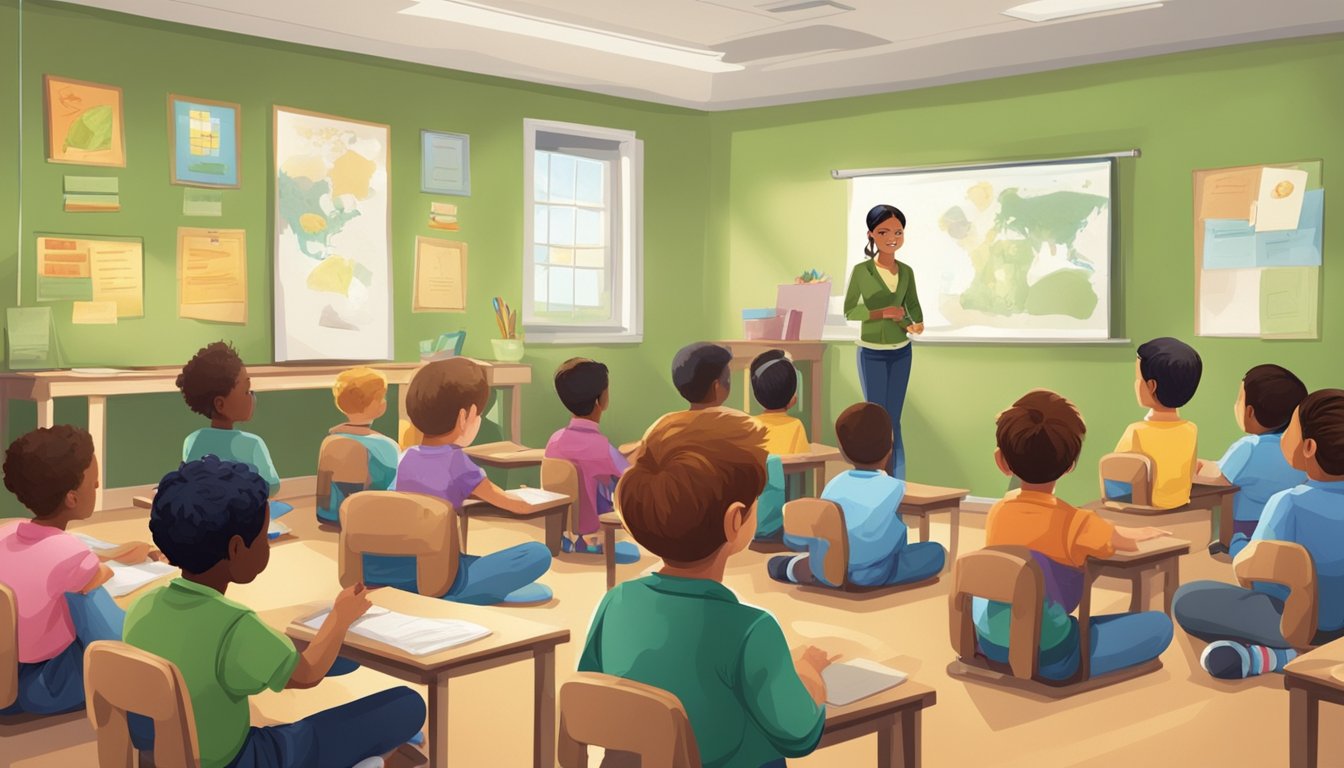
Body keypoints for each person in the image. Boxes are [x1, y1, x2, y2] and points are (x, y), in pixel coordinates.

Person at [124, 456, 425, 768]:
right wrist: (340, 615)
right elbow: (307, 674)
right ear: (237, 548)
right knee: (407, 705)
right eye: (264, 537)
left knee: (341, 674)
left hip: (161, 759)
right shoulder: (235, 625)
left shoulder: (142, 607)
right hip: (242, 761)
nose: (266, 545)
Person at [578, 410, 833, 768]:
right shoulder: (751, 630)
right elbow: (800, 733)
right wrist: (808, 673)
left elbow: (592, 702)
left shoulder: (615, 602)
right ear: (734, 521)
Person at [975, 390, 1173, 682]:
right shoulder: (1076, 522)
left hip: (992, 643)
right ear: (1070, 465)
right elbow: (1122, 543)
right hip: (1052, 656)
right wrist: (1142, 531)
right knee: (1158, 625)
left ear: (1001, 461)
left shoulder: (998, 512)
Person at [1173, 390, 1344, 679]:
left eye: (1291, 428)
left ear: (1309, 447)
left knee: (1186, 597)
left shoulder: (1287, 502)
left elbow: (1251, 573)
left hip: (1292, 622)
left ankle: (1281, 655)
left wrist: (1240, 547)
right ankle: (1300, 655)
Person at [0, 426, 156, 715]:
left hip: (4, 679)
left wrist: (106, 559)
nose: (97, 487)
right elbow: (110, 635)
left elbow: (41, 560)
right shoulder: (71, 555)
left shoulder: (6, 534)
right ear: (71, 498)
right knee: (102, 617)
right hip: (39, 689)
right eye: (94, 482)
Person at [391, 358, 553, 605]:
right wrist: (541, 500)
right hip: (442, 578)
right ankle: (459, 593)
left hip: (399, 569)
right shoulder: (458, 463)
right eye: (479, 414)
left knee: (466, 559)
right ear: (464, 417)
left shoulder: (405, 458)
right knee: (537, 553)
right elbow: (512, 504)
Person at [769, 403, 944, 588]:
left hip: (829, 569)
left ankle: (797, 567)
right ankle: (804, 566)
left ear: (843, 451)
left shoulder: (834, 483)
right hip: (874, 573)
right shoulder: (894, 487)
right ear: (890, 446)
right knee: (936, 552)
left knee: (818, 558)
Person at [843, 204, 924, 479]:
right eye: (884, 231)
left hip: (902, 351)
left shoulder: (907, 271)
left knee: (895, 421)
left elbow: (912, 303)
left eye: (898, 232)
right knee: (878, 422)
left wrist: (918, 322)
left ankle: (897, 482)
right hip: (872, 353)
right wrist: (881, 313)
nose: (893, 238)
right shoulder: (861, 271)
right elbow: (850, 310)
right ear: (871, 235)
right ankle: (876, 479)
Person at [1195, 364, 1308, 556]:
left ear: (1250, 411)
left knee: (1238, 542)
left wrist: (1192, 470)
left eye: (1239, 399)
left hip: (1250, 529)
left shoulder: (1249, 446)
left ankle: (1231, 546)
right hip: (1293, 529)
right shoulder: (1299, 447)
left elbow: (1218, 481)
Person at [544, 358, 639, 563]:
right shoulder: (602, 448)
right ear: (601, 400)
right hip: (595, 540)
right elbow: (631, 478)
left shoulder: (555, 440)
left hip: (564, 538)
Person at [1113, 337, 1202, 509]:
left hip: (1144, 513)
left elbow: (1117, 481)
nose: (1135, 383)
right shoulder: (1191, 430)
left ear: (1152, 386)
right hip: (1180, 509)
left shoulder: (1136, 431)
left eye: (1137, 378)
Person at [317, 367, 401, 525]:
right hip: (368, 519)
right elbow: (393, 489)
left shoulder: (329, 441)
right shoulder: (387, 446)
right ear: (379, 406)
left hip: (329, 516)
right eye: (382, 397)